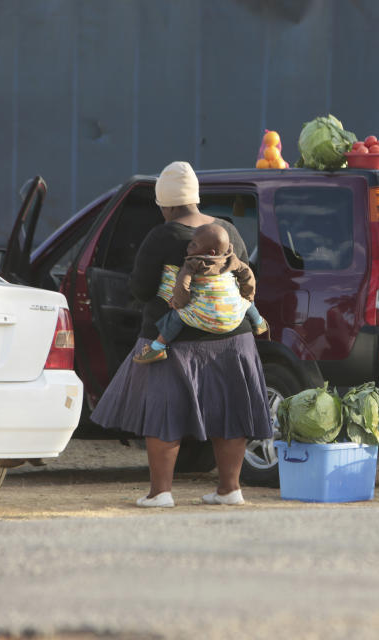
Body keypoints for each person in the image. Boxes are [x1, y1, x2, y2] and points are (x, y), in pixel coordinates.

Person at [90, 160, 273, 508]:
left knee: (164, 414)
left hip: (174, 341)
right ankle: (229, 489)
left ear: (168, 204)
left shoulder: (162, 236)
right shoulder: (228, 230)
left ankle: (161, 493)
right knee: (232, 411)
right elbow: (244, 276)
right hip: (233, 338)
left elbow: (142, 289)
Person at [132, 222, 267, 365]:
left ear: (211, 253)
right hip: (233, 319)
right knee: (247, 303)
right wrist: (247, 294)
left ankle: (157, 348)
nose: (188, 246)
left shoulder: (193, 263)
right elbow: (248, 275)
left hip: (206, 318)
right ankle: (259, 322)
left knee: (176, 317)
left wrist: (178, 303)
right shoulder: (231, 260)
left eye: (194, 245)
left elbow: (182, 286)